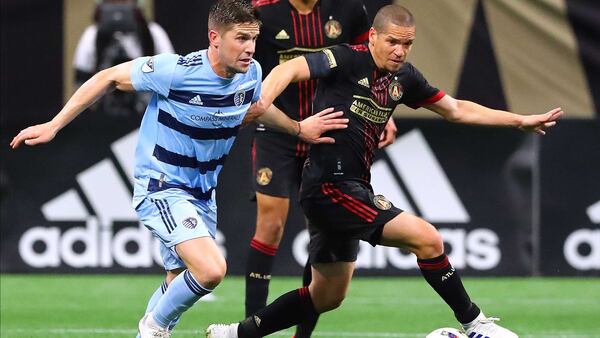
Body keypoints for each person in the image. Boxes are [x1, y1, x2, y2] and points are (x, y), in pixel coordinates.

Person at [206, 4, 563, 338]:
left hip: (348, 187)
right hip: (331, 188)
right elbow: (289, 68)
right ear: (373, 37)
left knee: (327, 294)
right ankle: (475, 323)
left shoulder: (404, 79)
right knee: (428, 239)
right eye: (392, 41)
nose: (399, 50)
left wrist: (519, 120)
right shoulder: (346, 59)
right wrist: (263, 100)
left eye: (406, 44)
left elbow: (455, 109)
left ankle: (235, 333)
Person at [10, 1, 348, 337]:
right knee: (211, 269)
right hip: (162, 186)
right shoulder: (177, 71)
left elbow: (258, 106)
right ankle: (153, 326)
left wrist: (298, 128)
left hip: (203, 193)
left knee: (177, 280)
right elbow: (108, 76)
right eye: (241, 38)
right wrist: (55, 124)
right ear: (215, 37)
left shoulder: (252, 73)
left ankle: (150, 333)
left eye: (254, 39)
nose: (249, 48)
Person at [246, 1, 397, 337]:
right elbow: (246, 61)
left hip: (329, 130)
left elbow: (371, 61)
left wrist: (386, 108)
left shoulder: (348, 10)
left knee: (323, 229)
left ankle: (303, 335)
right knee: (270, 225)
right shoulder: (264, 13)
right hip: (278, 129)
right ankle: (249, 328)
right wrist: (255, 106)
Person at [73, 0, 174, 117]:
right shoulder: (92, 33)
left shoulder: (153, 32)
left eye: (124, 1)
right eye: (114, 2)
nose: (119, 6)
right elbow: (81, 78)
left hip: (147, 109)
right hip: (103, 111)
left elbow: (171, 73)